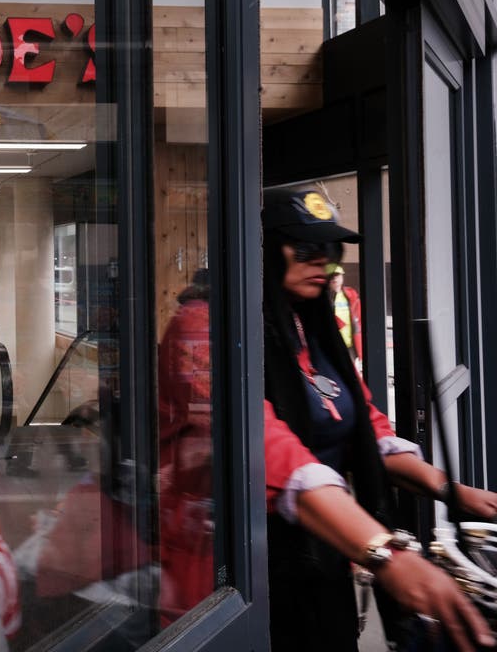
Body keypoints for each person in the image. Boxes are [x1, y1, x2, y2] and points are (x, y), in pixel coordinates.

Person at [263, 187, 497, 651]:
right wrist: (384, 552)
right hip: (247, 571)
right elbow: (268, 450)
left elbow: (368, 428)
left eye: (331, 250)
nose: (323, 261)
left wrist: (452, 491)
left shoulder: (310, 328)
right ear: (263, 251)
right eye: (305, 248)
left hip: (324, 550)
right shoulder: (206, 328)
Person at [156, 268, 213, 623]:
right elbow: (205, 407)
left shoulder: (192, 318)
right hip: (193, 478)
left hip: (190, 472)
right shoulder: (197, 323)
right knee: (196, 602)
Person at [327, 262, 364, 365]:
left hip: (350, 346)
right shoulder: (322, 298)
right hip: (331, 346)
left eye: (337, 275)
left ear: (342, 277)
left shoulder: (351, 296)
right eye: (331, 275)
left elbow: (359, 320)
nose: (334, 278)